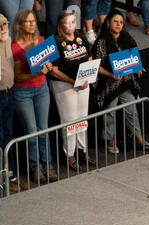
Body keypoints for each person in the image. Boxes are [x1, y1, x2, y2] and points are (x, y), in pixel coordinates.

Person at [91, 9, 149, 154]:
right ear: (108, 23)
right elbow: (96, 66)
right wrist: (110, 75)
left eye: (121, 22)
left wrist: (138, 68)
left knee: (131, 109)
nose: (118, 25)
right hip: (109, 83)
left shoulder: (127, 38)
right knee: (110, 111)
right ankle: (110, 140)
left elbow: (134, 59)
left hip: (126, 82)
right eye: (115, 22)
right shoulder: (101, 42)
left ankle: (139, 139)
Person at [11, 9, 57, 183]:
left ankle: (48, 165)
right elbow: (17, 77)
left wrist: (49, 67)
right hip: (23, 92)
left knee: (43, 130)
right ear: (20, 24)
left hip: (42, 89)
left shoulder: (41, 41)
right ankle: (35, 167)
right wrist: (37, 74)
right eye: (28, 21)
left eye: (33, 21)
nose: (32, 24)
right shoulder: (15, 46)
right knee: (31, 132)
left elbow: (47, 64)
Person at [48, 10, 96, 171]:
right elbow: (53, 70)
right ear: (60, 25)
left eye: (73, 22)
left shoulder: (81, 37)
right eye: (67, 23)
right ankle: (70, 155)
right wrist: (73, 82)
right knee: (69, 120)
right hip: (63, 85)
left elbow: (89, 58)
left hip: (82, 82)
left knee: (82, 118)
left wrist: (86, 76)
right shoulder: (55, 42)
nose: (71, 25)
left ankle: (83, 151)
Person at [0, 13, 29, 193]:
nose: (3, 28)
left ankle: (11, 175)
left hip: (10, 94)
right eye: (0, 26)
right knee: (2, 136)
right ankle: (6, 176)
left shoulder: (10, 42)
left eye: (5, 25)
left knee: (8, 135)